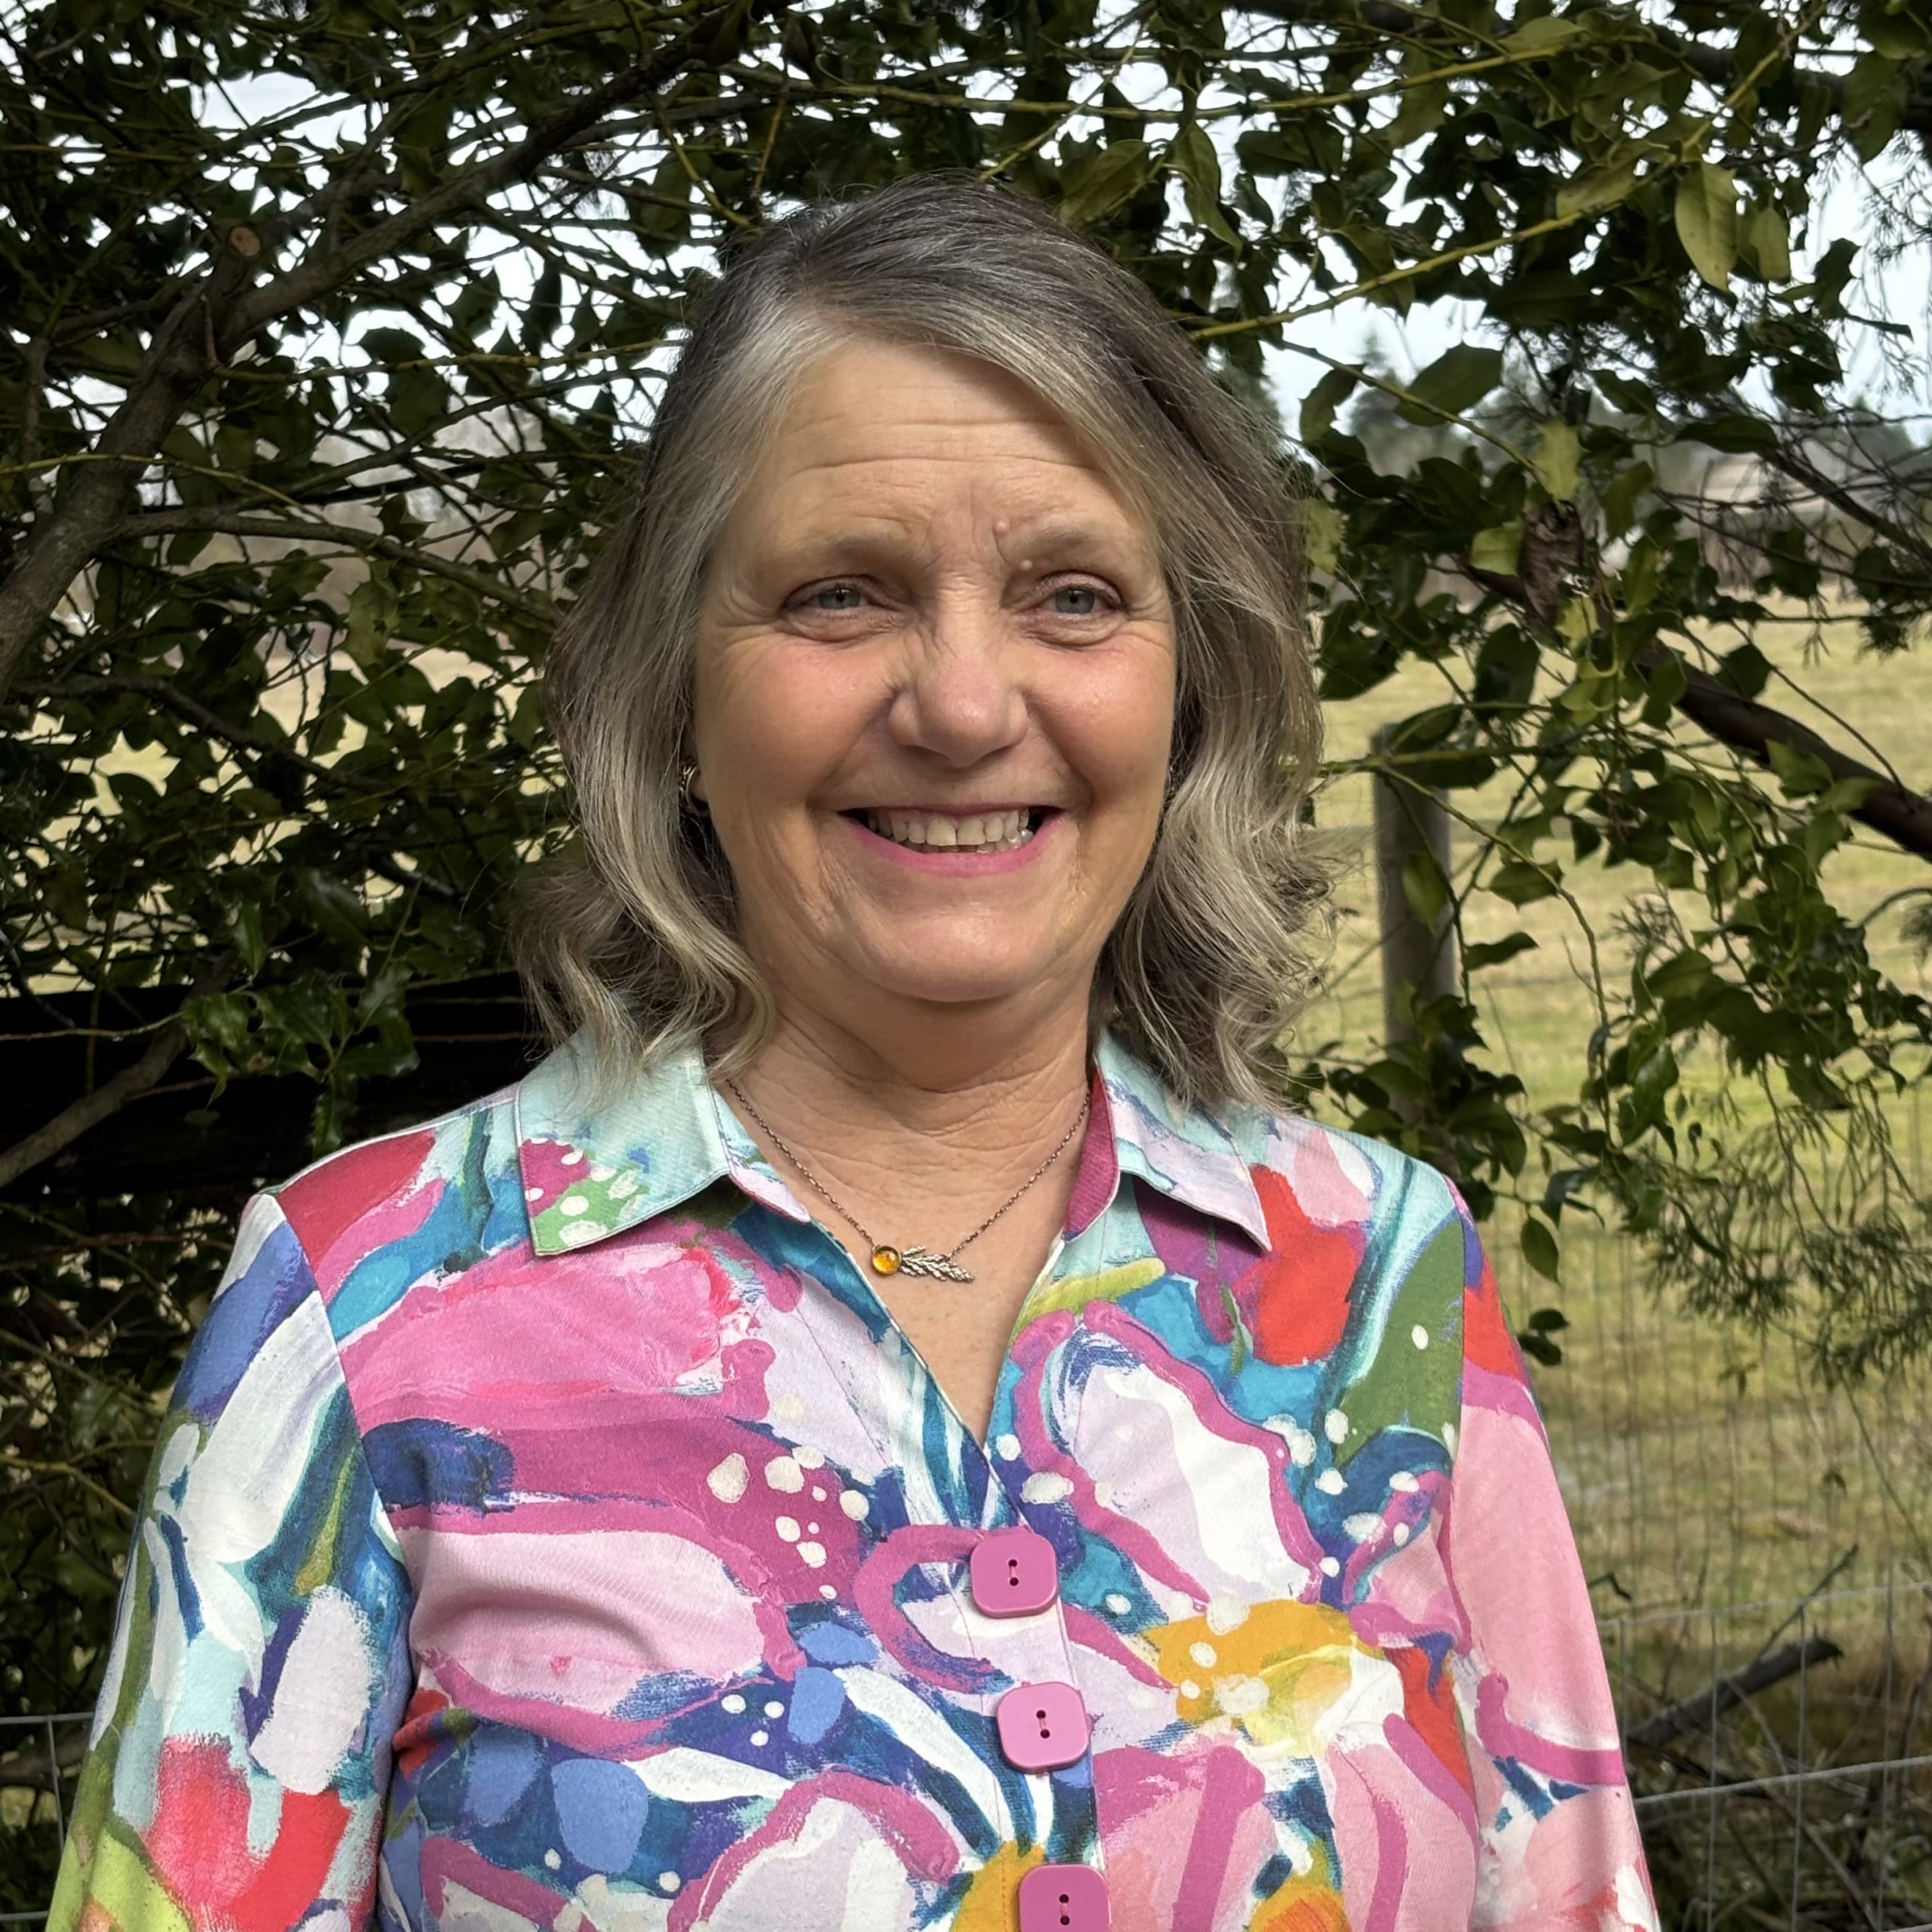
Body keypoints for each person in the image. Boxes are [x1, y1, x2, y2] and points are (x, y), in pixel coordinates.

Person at [50, 171, 1657, 1932]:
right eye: (838, 594)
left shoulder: (1377, 1272)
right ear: (671, 688)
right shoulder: (361, 1306)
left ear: (1190, 680)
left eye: (1070, 595)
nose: (964, 705)